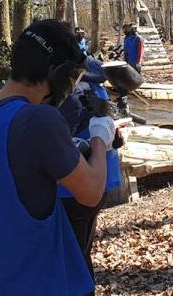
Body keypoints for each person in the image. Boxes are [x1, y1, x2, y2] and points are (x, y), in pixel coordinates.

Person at [0, 19, 116, 296]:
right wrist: (101, 137)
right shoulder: (37, 119)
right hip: (43, 282)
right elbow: (90, 192)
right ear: (58, 73)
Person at [58, 74, 122, 283]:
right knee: (80, 258)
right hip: (97, 180)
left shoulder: (63, 83)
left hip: (70, 187)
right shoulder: (93, 78)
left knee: (69, 264)